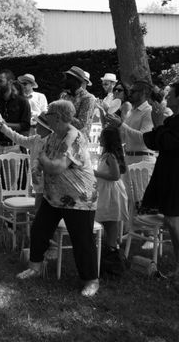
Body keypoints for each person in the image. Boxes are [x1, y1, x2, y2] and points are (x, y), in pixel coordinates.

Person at [17, 100, 100, 297]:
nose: (47, 118)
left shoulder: (74, 138)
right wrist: (42, 162)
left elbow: (55, 166)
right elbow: (45, 157)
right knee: (39, 230)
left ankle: (91, 281)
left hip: (79, 198)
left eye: (50, 115)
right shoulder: (55, 136)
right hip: (54, 195)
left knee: (82, 240)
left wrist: (43, 161)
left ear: (59, 117)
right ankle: (34, 267)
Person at [114, 82, 179, 279]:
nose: (167, 98)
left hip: (176, 176)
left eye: (171, 95)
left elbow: (164, 142)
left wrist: (158, 123)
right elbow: (153, 140)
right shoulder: (173, 120)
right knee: (171, 220)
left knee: (173, 221)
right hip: (168, 174)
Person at [0, 69, 31, 220]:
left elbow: (26, 126)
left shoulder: (23, 102)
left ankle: (9, 216)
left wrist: (4, 125)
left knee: (10, 185)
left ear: (9, 82)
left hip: (13, 147)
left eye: (0, 81)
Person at [0, 112, 53, 211]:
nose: (36, 126)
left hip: (47, 184)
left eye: (38, 124)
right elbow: (20, 139)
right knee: (39, 209)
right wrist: (4, 128)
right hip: (39, 184)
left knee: (41, 209)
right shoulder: (36, 139)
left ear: (46, 128)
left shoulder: (51, 141)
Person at [93, 126, 128, 275]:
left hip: (111, 192)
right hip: (105, 190)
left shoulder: (110, 156)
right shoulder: (106, 154)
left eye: (102, 137)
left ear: (108, 140)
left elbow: (115, 176)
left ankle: (112, 250)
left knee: (110, 220)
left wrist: (96, 173)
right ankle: (109, 248)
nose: (99, 139)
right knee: (107, 220)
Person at [60, 66, 96, 138]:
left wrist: (61, 113)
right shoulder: (64, 96)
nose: (64, 80)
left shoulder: (88, 98)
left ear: (76, 81)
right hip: (61, 137)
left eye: (68, 78)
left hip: (77, 142)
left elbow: (80, 124)